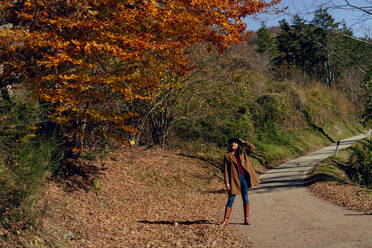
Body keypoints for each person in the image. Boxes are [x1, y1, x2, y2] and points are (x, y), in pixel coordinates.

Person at [221, 138, 260, 226]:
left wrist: (244, 142)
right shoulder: (227, 155)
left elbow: (252, 148)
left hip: (244, 178)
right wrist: (227, 182)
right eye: (232, 143)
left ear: (238, 144)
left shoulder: (242, 153)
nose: (233, 144)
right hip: (234, 180)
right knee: (231, 199)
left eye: (235, 143)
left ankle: (246, 219)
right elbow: (226, 170)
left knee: (245, 198)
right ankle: (226, 220)